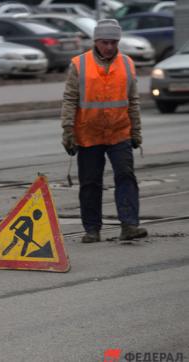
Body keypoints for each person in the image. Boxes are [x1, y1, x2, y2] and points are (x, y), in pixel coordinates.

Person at [60, 19, 148, 243]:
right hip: (88, 134)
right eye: (104, 42)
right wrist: (68, 129)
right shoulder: (79, 64)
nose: (109, 46)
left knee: (126, 176)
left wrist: (136, 131)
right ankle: (92, 229)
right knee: (90, 182)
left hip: (120, 132)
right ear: (96, 41)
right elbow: (70, 99)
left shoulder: (127, 63)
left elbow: (133, 100)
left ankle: (129, 225)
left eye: (113, 42)